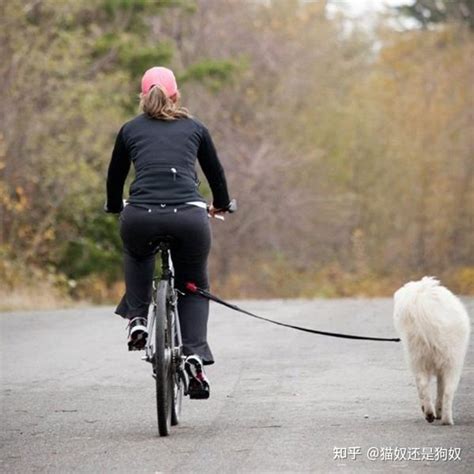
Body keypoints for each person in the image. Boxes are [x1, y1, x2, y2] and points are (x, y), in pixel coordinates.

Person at [105, 66, 232, 399]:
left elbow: (114, 178)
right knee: (195, 286)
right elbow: (216, 176)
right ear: (176, 96)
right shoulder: (195, 128)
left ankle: (137, 319)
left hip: (141, 216)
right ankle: (194, 354)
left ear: (142, 97)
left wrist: (114, 207)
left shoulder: (129, 129)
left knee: (137, 251)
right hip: (189, 218)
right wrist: (220, 204)